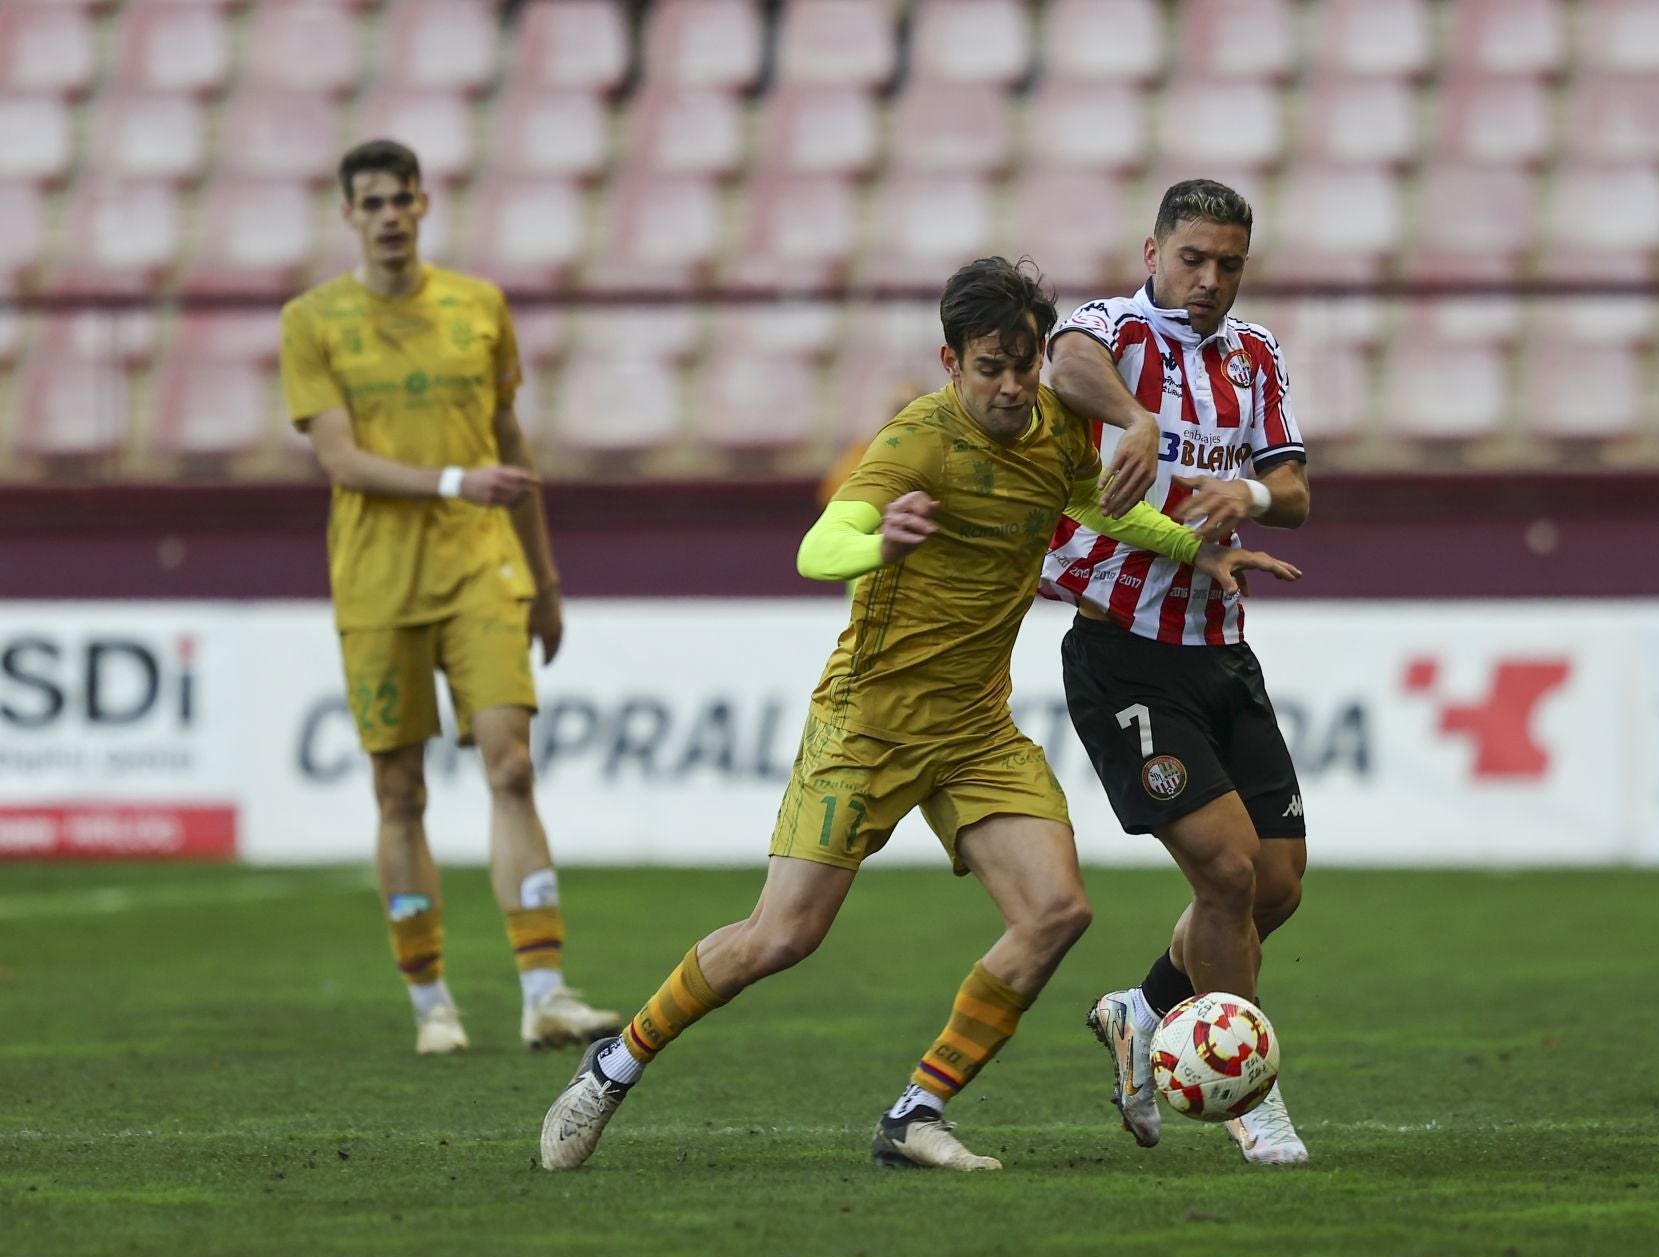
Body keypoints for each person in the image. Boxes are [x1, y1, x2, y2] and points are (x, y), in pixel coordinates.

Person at [538, 256, 1299, 1173]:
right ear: (951, 362)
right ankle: (613, 1067)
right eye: (991, 367)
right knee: (781, 937)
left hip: (975, 728)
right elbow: (816, 548)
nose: (1014, 386)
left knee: (1057, 911)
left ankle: (917, 1111)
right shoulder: (916, 443)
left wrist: (1192, 548)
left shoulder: (1056, 430)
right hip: (869, 724)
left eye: (1025, 364)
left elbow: (1096, 506)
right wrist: (874, 539)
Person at [280, 139, 622, 1055]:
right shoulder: (312, 321)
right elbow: (341, 458)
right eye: (373, 202)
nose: (390, 215)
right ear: (348, 215)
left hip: (482, 569)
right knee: (401, 792)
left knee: (511, 767)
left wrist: (544, 578)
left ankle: (544, 992)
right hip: (379, 583)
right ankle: (432, 1001)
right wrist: (450, 483)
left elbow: (511, 442)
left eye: (403, 199)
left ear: (424, 205)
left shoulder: (479, 307)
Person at [1040, 179, 1314, 1165]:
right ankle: (1248, 1088)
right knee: (1228, 869)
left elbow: (1293, 490)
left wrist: (1242, 489)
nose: (1208, 280)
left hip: (1219, 648)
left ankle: (1143, 1005)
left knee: (1276, 882)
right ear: (1151, 249)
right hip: (1122, 651)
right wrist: (1135, 419)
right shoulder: (1111, 327)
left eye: (1228, 264)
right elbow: (1065, 364)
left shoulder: (1257, 354)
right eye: (1192, 258)